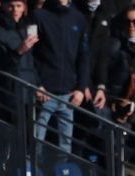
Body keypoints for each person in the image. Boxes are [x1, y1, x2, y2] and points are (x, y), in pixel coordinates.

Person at [31, 0, 91, 154]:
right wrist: (37, 83)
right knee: (35, 143)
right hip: (43, 93)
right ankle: (33, 175)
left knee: (65, 148)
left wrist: (81, 88)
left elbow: (84, 56)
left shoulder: (79, 18)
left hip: (69, 95)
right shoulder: (37, 16)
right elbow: (29, 53)